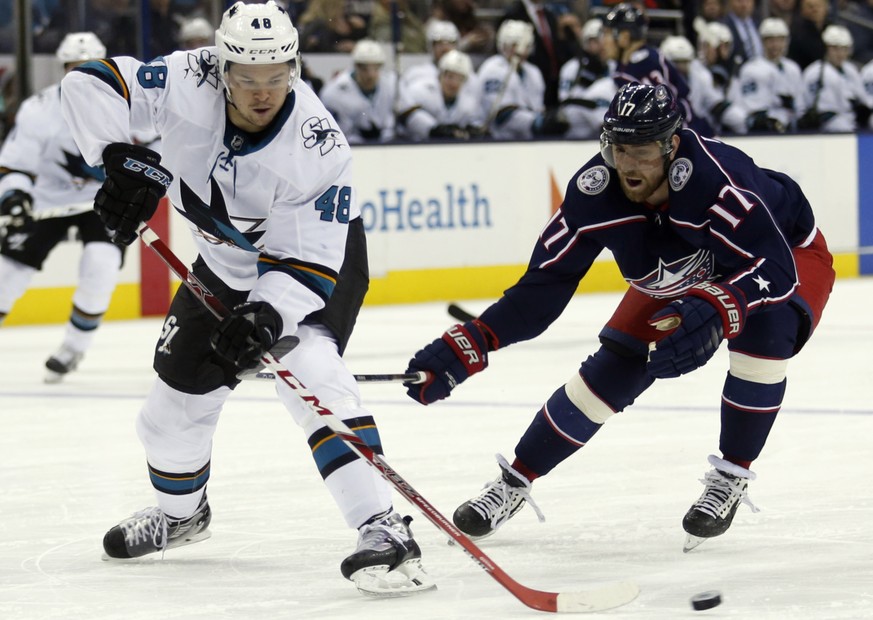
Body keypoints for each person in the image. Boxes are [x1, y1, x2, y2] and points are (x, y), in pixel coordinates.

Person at [59, 1, 433, 596]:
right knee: (167, 414)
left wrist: (269, 313)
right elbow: (89, 83)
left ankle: (381, 527)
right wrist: (112, 156)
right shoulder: (189, 76)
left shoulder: (318, 146)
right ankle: (182, 516)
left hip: (315, 263)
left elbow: (308, 260)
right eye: (248, 78)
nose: (263, 93)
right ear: (223, 67)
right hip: (224, 265)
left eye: (277, 76)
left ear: (295, 67)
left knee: (307, 368)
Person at [403, 83, 834, 553]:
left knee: (764, 339)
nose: (628, 165)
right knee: (612, 371)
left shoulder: (716, 180)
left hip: (784, 254)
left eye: (642, 150)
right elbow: (542, 289)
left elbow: (774, 268)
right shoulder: (594, 192)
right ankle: (515, 480)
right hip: (685, 268)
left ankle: (731, 473)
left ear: (671, 145)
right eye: (618, 148)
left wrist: (719, 306)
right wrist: (473, 341)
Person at [0, 32, 121, 384]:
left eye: (89, 68)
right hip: (47, 201)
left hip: (104, 201)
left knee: (101, 265)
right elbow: (15, 165)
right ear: (63, 69)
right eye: (73, 68)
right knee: (8, 274)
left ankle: (73, 348)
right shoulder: (39, 109)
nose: (81, 76)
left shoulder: (130, 105)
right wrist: (15, 196)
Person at [603, 3, 713, 137]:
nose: (604, 40)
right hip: (693, 132)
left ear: (624, 37)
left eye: (607, 34)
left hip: (682, 140)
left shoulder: (634, 70)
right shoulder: (652, 57)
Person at [477, 19, 569, 140]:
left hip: (528, 141)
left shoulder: (533, 72)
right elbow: (502, 116)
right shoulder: (493, 69)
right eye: (513, 45)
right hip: (498, 140)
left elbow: (538, 108)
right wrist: (536, 122)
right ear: (502, 44)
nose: (519, 51)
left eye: (525, 46)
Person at [319, 39, 397, 144]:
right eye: (365, 68)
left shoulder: (391, 83)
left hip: (388, 143)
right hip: (349, 145)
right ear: (356, 66)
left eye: (376, 68)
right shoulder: (333, 92)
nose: (371, 75)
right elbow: (333, 131)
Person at [733, 17, 804, 132]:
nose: (775, 45)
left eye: (780, 40)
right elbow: (752, 108)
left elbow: (800, 106)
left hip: (791, 127)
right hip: (765, 129)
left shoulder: (793, 68)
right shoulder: (751, 69)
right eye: (771, 40)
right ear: (762, 41)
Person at [396, 49, 484, 141]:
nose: (454, 83)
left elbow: (477, 123)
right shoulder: (420, 91)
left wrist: (473, 130)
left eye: (460, 79)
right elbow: (406, 113)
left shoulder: (469, 103)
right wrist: (433, 128)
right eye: (450, 77)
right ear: (440, 75)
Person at [799, 25, 869, 132]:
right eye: (835, 49)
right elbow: (824, 111)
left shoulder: (850, 70)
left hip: (850, 118)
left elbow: (862, 98)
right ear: (826, 48)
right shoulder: (816, 72)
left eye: (844, 49)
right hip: (827, 123)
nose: (840, 54)